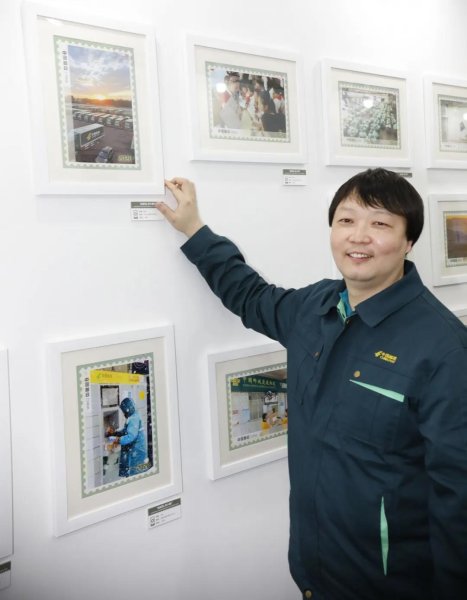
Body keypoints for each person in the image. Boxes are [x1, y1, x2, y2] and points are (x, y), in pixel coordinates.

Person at [156, 170, 467, 599]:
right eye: (346, 220)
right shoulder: (315, 307)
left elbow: (458, 496)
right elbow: (250, 295)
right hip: (313, 571)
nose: (358, 236)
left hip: (389, 584)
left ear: (408, 240)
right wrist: (195, 231)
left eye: (380, 223)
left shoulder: (444, 348)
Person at [106, 397, 149, 477]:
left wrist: (118, 440)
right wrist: (116, 433)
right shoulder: (134, 415)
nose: (124, 414)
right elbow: (126, 431)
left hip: (136, 450)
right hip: (134, 450)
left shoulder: (134, 419)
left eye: (124, 411)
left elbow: (131, 436)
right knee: (134, 471)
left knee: (135, 473)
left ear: (127, 409)